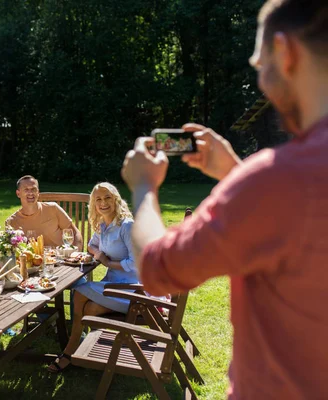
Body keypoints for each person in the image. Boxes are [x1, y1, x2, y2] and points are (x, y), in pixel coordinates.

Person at [122, 0, 328, 398]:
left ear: (285, 53)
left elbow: (157, 268)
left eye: (259, 64)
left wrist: (144, 187)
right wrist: (235, 173)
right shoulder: (279, 186)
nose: (261, 80)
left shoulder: (277, 179)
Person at [48, 182, 138, 373]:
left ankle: (68, 354)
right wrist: (99, 255)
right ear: (94, 204)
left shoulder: (126, 226)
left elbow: (135, 262)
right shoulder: (103, 224)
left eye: (107, 198)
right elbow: (91, 245)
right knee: (89, 307)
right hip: (112, 284)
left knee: (79, 291)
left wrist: (108, 263)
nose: (103, 203)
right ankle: (77, 348)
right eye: (98, 199)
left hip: (133, 290)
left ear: (115, 200)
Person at [6, 175, 83, 248]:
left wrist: (76, 254)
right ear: (18, 193)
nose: (30, 193)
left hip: (60, 258)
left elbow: (75, 233)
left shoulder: (53, 208)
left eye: (33, 189)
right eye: (26, 189)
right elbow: (10, 250)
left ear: (38, 192)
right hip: (30, 260)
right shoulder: (12, 221)